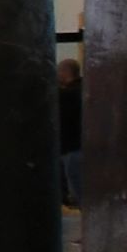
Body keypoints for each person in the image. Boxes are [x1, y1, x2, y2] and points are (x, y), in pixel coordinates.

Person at [57, 57, 85, 208]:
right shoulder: (84, 90)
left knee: (78, 190)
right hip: (81, 145)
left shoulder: (67, 95)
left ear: (64, 72)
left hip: (71, 148)